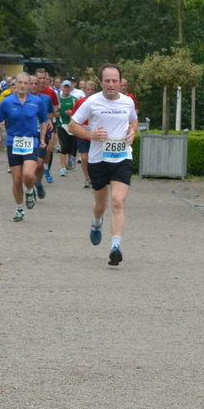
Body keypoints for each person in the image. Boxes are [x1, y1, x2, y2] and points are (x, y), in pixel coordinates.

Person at [70, 63, 139, 266]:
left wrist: (132, 131)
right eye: (107, 81)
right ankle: (96, 222)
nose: (111, 84)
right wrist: (90, 134)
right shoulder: (91, 102)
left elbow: (133, 121)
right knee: (101, 205)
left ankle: (115, 247)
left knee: (118, 201)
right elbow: (73, 126)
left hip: (122, 158)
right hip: (99, 160)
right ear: (101, 82)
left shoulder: (127, 102)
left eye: (114, 81)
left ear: (120, 83)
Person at [0, 71, 46, 221]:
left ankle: (29, 190)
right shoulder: (7, 102)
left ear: (29, 85)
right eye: (19, 83)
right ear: (15, 85)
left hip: (31, 141)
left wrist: (42, 138)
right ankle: (20, 209)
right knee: (16, 179)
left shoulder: (36, 102)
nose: (22, 86)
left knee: (28, 175)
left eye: (25, 83)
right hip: (13, 142)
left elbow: (44, 120)